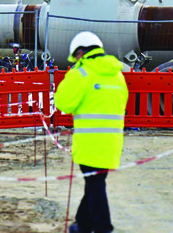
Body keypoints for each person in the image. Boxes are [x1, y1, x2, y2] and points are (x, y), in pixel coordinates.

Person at [54, 31, 129, 233]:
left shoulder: (82, 72)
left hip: (89, 143)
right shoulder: (117, 74)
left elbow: (63, 103)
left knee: (95, 185)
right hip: (112, 143)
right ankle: (83, 225)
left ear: (80, 52)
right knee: (94, 182)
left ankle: (104, 227)